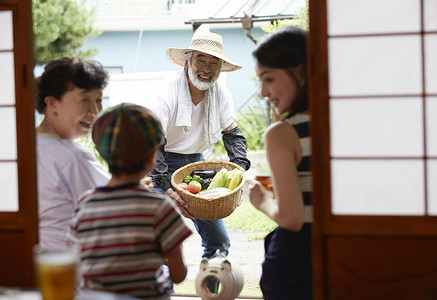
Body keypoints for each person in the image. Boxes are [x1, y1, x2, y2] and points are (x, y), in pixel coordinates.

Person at [69, 103, 192, 300]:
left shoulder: (84, 204)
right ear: (152, 156)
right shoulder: (160, 207)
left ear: (102, 153)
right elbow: (179, 275)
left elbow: (74, 262)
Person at [150, 26, 251, 263]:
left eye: (214, 62)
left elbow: (233, 135)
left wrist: (240, 174)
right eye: (200, 60)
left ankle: (212, 294)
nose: (206, 68)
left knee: (219, 243)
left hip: (197, 167)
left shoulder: (221, 93)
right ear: (188, 62)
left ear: (220, 68)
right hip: (160, 164)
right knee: (157, 241)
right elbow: (152, 143)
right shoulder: (166, 93)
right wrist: (166, 187)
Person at [249, 27, 313, 299]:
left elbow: (292, 219)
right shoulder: (346, 121)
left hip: (297, 260)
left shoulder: (282, 134)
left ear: (299, 73)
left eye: (269, 79)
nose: (264, 92)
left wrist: (262, 199)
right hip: (344, 249)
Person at [35, 57, 111, 250]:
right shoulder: (74, 157)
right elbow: (112, 208)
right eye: (84, 99)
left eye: (98, 100)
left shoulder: (23, 148)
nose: (95, 111)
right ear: (52, 103)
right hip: (69, 265)